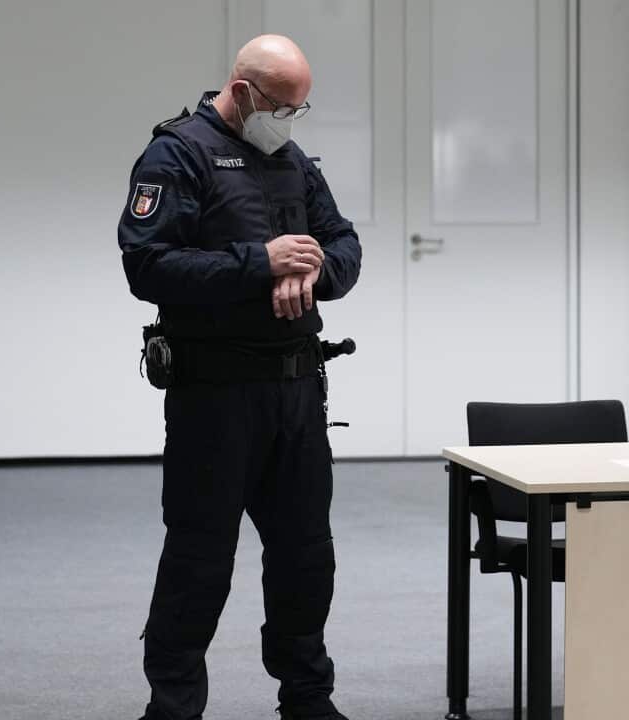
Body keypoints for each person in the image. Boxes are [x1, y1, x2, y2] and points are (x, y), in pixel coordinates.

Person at [117, 34, 361, 720]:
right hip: (215, 396)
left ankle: (307, 698)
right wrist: (261, 262)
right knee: (199, 559)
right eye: (281, 104)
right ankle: (172, 706)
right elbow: (148, 268)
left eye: (300, 107)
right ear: (244, 89)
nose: (288, 119)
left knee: (306, 557)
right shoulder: (177, 154)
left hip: (297, 392)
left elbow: (344, 243)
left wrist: (314, 272)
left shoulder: (290, 159)